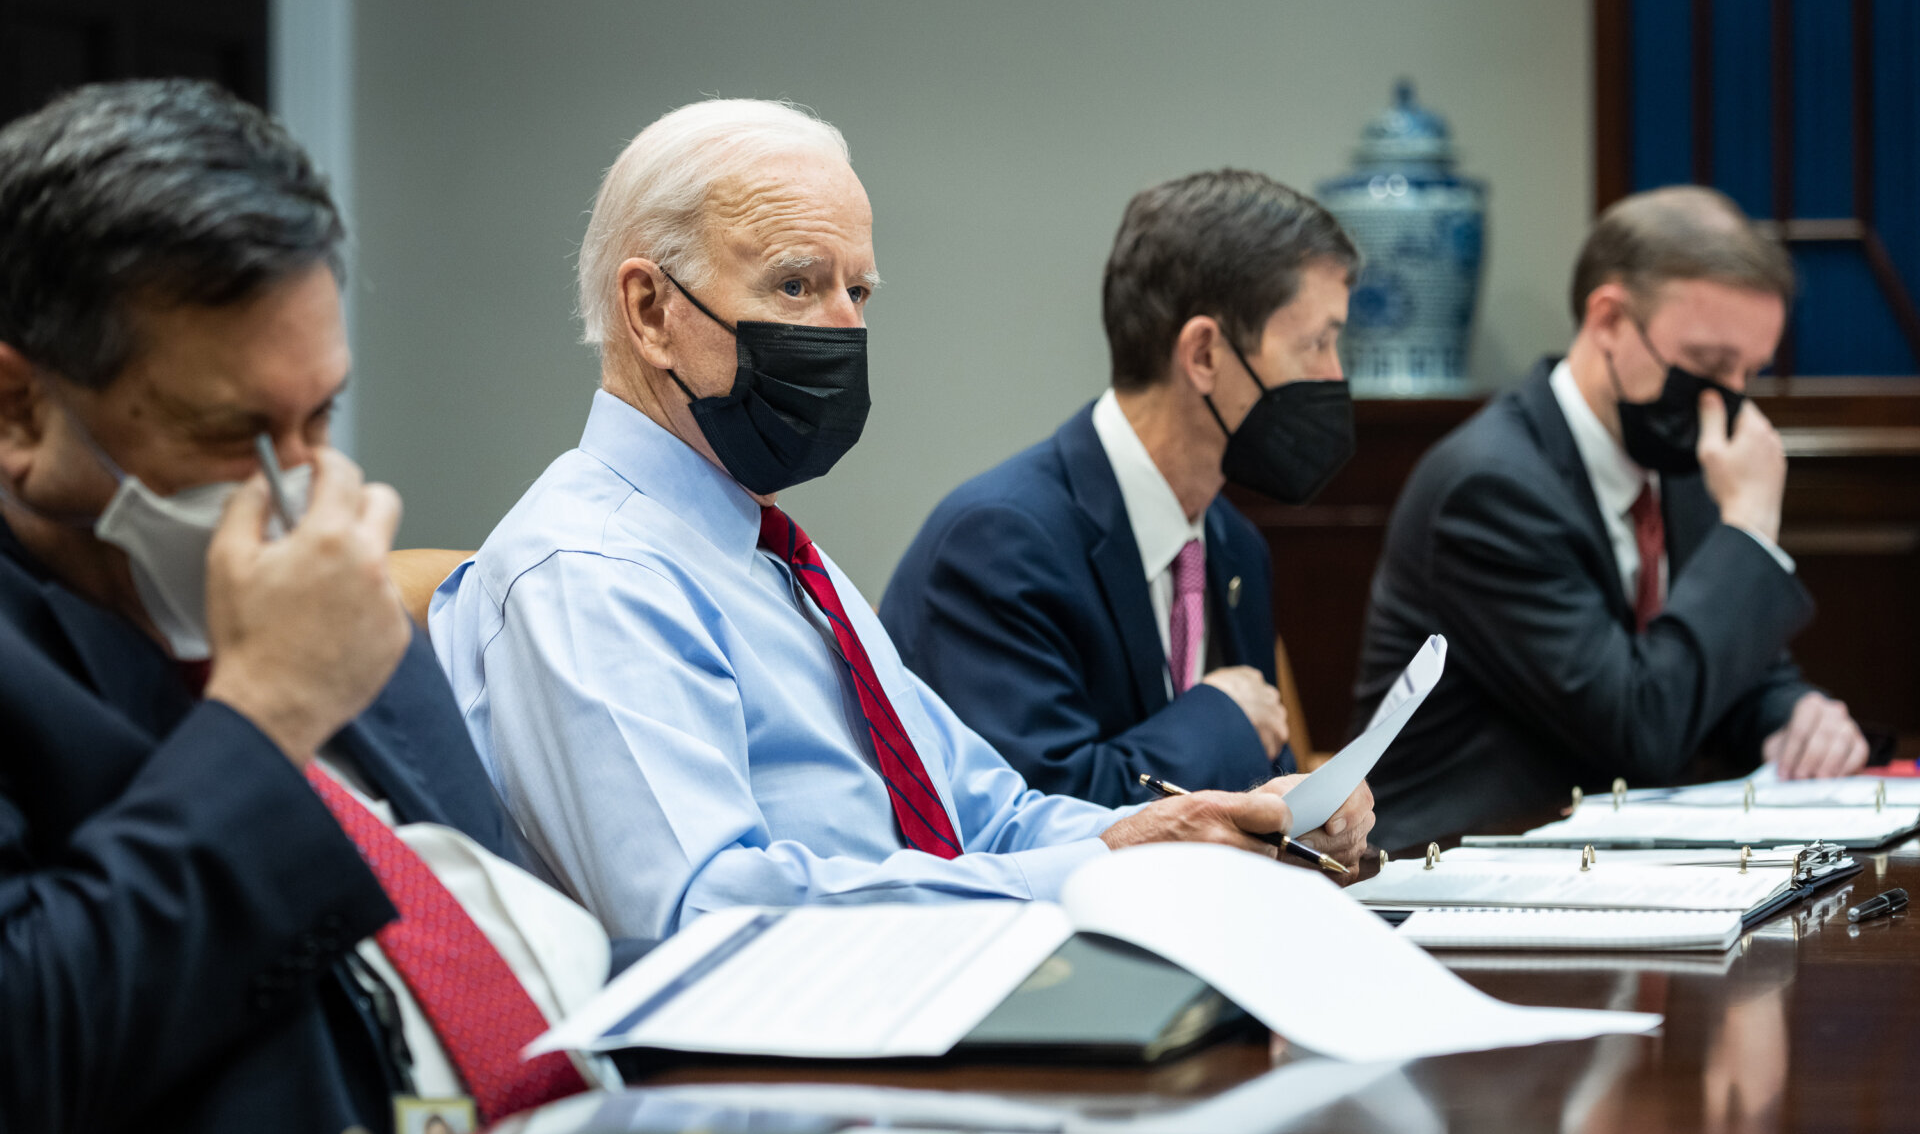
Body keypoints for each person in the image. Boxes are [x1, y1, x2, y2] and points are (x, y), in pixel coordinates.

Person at [430, 101, 1374, 942]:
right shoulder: (591, 571)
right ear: (650, 311)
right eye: (797, 285)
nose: (844, 329)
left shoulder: (781, 562)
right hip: (762, 1091)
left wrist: (1198, 827)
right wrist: (1102, 867)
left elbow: (990, 818)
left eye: (860, 292)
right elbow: (708, 917)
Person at [0, 80, 625, 1134]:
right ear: (19, 410)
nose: (301, 492)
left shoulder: (327, 584)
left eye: (320, 415)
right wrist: (267, 714)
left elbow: (500, 939)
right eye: (233, 432)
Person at [1352, 186, 1868, 850]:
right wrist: (1747, 530)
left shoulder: (1679, 462)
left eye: (1749, 372)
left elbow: (1723, 664)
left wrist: (1794, 713)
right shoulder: (1489, 487)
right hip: (1452, 870)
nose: (1728, 403)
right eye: (1709, 365)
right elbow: (1640, 727)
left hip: (1599, 859)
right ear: (1609, 320)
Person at [882, 169, 1360, 806]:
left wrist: (1309, 810)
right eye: (1317, 343)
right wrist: (1220, 714)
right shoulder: (998, 542)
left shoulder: (1231, 543)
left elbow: (1250, 789)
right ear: (1205, 355)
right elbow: (1041, 815)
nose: (1336, 375)